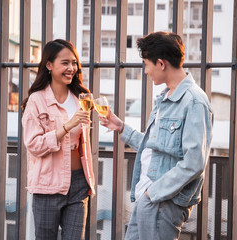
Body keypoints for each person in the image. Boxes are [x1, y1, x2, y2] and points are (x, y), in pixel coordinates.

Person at [100, 32, 214, 240]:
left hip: (162, 201)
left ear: (161, 63)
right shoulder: (166, 97)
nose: (145, 71)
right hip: (149, 199)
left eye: (146, 64)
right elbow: (157, 147)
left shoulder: (194, 101)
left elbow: (194, 162)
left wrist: (153, 193)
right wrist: (121, 128)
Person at [21, 39, 95, 240]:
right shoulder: (36, 101)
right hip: (48, 183)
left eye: (74, 63)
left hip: (78, 183)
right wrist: (66, 126)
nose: (71, 68)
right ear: (49, 65)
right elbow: (34, 145)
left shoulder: (82, 97)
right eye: (65, 63)